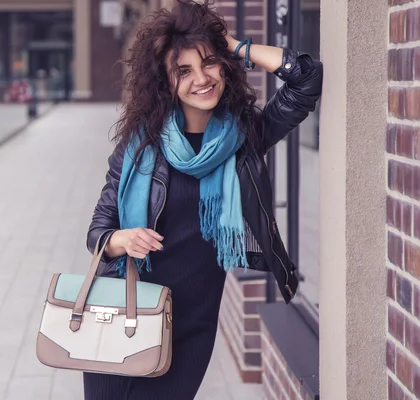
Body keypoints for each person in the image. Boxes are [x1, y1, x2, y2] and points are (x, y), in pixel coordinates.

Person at [85, 1, 323, 399]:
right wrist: (122, 240)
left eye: (209, 64)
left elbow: (307, 79)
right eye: (184, 71)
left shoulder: (245, 138)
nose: (202, 79)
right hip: (126, 310)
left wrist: (234, 45)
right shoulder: (141, 144)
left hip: (193, 323)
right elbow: (98, 231)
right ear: (165, 81)